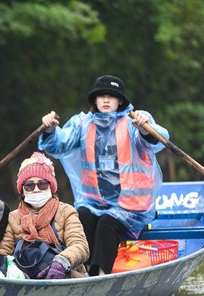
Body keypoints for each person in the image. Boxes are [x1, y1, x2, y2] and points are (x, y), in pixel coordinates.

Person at [39, 75, 169, 276]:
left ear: (120, 101)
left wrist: (144, 129)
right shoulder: (83, 124)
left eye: (112, 96)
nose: (106, 100)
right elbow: (59, 145)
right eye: (101, 96)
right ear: (95, 101)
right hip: (94, 203)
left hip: (130, 206)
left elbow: (156, 141)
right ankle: (81, 271)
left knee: (107, 224)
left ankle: (99, 275)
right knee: (81, 218)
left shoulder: (134, 121)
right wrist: (49, 130)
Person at [0, 152, 89, 279]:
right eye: (29, 185)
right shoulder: (13, 217)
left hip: (66, 278)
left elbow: (80, 245)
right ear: (22, 189)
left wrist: (61, 263)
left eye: (42, 184)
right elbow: (2, 254)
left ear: (51, 187)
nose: (36, 189)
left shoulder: (66, 211)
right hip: (23, 282)